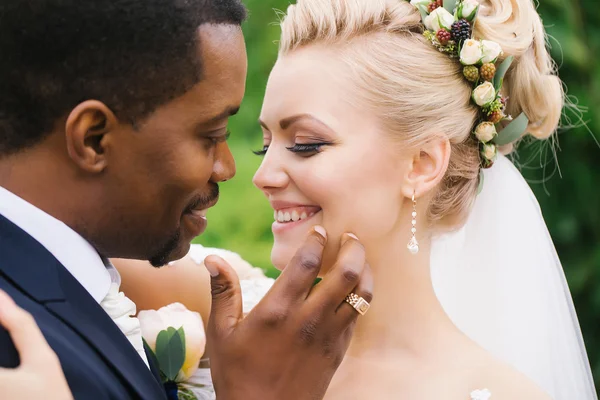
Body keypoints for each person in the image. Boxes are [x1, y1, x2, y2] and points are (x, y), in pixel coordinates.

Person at [114, 0, 596, 398]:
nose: (261, 175)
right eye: (266, 144)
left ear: (422, 163)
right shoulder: (233, 314)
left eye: (306, 143)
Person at [0, 0, 374, 399]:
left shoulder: (93, 279)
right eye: (211, 136)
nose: (229, 169)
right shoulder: (19, 355)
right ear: (94, 139)